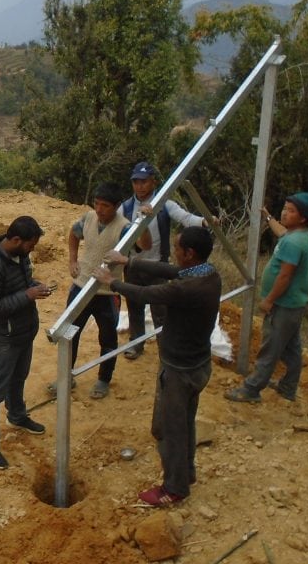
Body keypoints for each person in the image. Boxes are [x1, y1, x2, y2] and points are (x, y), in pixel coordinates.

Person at [94, 226, 221, 506]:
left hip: (179, 372)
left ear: (189, 254)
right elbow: (170, 271)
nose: (174, 253)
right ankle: (185, 474)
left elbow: (146, 294)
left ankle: (174, 489)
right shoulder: (208, 275)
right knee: (184, 423)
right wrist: (129, 262)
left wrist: (111, 282)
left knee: (167, 429)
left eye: (178, 249)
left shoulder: (186, 289)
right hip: (198, 366)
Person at [0, 216, 52, 470]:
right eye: (31, 244)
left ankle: (17, 416)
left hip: (22, 333)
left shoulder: (20, 256)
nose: (33, 249)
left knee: (19, 378)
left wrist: (34, 286)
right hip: (3, 340)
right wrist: (26, 295)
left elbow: (22, 282)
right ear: (16, 240)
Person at [58, 183, 151, 399]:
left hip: (107, 293)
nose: (99, 209)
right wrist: (72, 259)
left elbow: (144, 245)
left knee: (108, 338)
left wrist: (144, 223)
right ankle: (66, 377)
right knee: (68, 334)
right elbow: (74, 234)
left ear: (117, 206)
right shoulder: (88, 218)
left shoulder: (125, 227)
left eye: (105, 206)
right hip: (80, 287)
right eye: (96, 204)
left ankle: (103, 380)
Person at [226, 190, 308, 403]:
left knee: (271, 348)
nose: (285, 213)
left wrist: (269, 300)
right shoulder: (299, 235)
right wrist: (267, 217)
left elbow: (285, 275)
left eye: (291, 211)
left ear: (303, 217)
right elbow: (281, 232)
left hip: (283, 305)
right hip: (294, 305)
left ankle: (251, 389)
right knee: (291, 348)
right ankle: (288, 387)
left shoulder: (294, 243)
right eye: (285, 208)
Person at [119, 161, 211, 359]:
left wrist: (204, 222)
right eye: (136, 181)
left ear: (153, 182)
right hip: (133, 264)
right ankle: (136, 344)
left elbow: (185, 218)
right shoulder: (126, 207)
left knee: (160, 310)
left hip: (157, 266)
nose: (139, 186)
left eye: (143, 181)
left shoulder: (164, 204)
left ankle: (165, 347)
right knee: (134, 308)